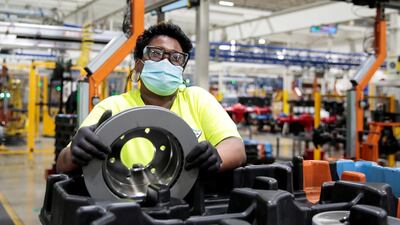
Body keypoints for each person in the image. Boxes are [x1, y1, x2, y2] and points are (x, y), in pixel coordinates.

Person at [56, 22, 246, 175]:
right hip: (127, 205)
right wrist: (74, 152)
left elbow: (235, 147)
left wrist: (216, 157)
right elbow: (62, 164)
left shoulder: (198, 99)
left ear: (181, 68)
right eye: (156, 53)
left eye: (176, 57)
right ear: (138, 66)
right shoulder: (113, 107)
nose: (166, 61)